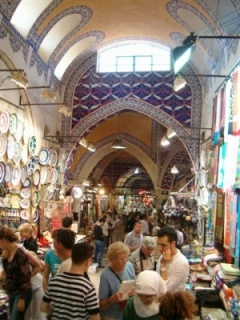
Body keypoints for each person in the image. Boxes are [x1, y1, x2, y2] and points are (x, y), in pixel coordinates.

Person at [41, 242, 100, 320]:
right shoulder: (88, 287)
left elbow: (43, 307)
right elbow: (94, 318)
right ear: (88, 261)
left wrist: (57, 311)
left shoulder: (55, 281)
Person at [0, 227, 32, 320]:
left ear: (3, 239)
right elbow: (7, 272)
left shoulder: (19, 254)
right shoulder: (6, 253)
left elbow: (25, 277)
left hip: (21, 293)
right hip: (12, 291)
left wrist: (22, 299)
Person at [99, 241, 135, 320]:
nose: (124, 261)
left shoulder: (129, 266)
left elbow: (134, 284)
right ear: (111, 259)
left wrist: (134, 291)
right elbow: (101, 305)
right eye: (121, 259)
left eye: (126, 258)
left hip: (127, 313)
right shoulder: (105, 275)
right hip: (112, 316)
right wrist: (111, 300)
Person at [156, 226, 189, 292]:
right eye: (158, 244)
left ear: (173, 243)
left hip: (174, 301)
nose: (160, 248)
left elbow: (165, 289)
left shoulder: (182, 262)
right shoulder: (163, 256)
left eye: (163, 245)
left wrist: (163, 264)